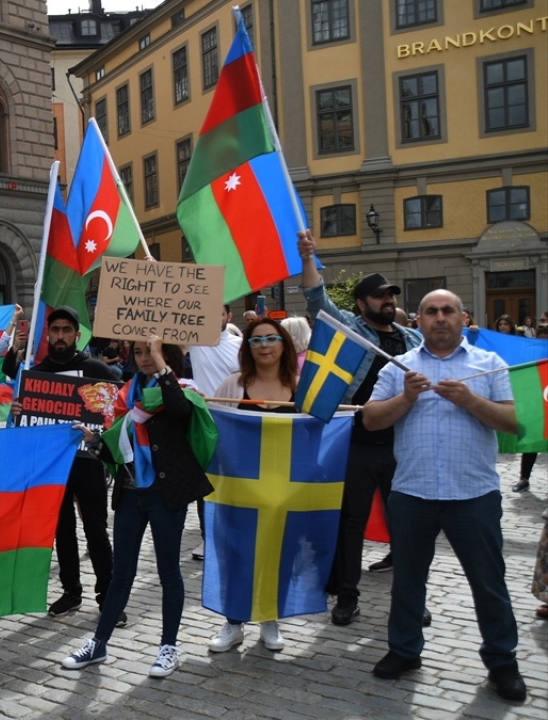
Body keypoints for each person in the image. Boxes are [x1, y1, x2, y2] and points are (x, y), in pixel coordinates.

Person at [361, 289, 524, 702]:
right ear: (418, 320)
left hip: (473, 493)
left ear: (462, 318)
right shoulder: (400, 366)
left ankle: (502, 660)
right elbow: (371, 419)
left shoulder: (489, 364)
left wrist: (471, 401)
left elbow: (514, 422)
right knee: (407, 581)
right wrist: (407, 397)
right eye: (431, 311)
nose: (439, 317)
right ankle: (404, 650)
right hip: (412, 493)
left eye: (447, 310)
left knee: (488, 583)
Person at [62, 335, 215, 678]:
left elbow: (178, 409)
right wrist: (94, 441)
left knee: (169, 573)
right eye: (139, 352)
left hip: (166, 495)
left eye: (152, 351)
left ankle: (169, 647)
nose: (145, 358)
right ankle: (98, 644)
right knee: (121, 574)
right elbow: (118, 450)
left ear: (166, 353)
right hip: (131, 494)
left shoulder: (183, 388)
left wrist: (162, 364)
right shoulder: (125, 395)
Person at [299, 229, 421, 626]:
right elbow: (316, 299)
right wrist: (308, 257)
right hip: (357, 444)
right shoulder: (352, 328)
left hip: (404, 446)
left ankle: (412, 599)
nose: (389, 301)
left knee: (407, 525)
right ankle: (347, 596)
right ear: (361, 303)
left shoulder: (412, 338)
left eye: (391, 296)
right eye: (381, 296)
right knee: (351, 522)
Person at [7, 307, 113, 616]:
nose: (61, 336)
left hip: (89, 462)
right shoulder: (37, 374)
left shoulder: (96, 369)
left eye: (67, 330)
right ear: (48, 335)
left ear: (77, 335)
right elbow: (28, 428)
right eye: (56, 330)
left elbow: (118, 410)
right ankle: (71, 591)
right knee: (62, 530)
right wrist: (19, 413)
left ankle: (108, 595)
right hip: (53, 466)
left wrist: (102, 433)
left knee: (96, 530)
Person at [206, 318, 300, 653]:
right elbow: (214, 428)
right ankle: (234, 621)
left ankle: (269, 619)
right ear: (247, 348)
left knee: (279, 555)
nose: (264, 346)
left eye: (271, 339)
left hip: (284, 489)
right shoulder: (233, 384)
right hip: (240, 488)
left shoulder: (301, 387)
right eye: (256, 340)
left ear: (284, 344)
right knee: (237, 554)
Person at [187, 303, 243, 560]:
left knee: (233, 482)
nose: (214, 317)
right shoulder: (195, 341)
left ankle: (234, 534)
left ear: (228, 316)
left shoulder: (240, 346)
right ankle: (207, 537)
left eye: (219, 313)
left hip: (234, 422)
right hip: (204, 423)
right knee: (205, 482)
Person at [513, 322, 548, 493]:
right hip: (536, 404)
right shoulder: (530, 354)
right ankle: (524, 478)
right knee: (532, 441)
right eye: (541, 340)